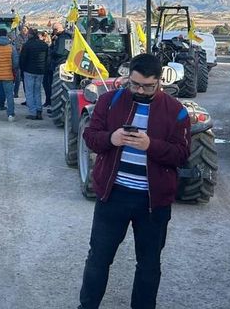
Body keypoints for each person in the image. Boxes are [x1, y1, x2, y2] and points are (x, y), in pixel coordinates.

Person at [77, 54, 191, 309]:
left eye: (148, 86)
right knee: (98, 259)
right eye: (135, 84)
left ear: (159, 81)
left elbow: (182, 155)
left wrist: (152, 145)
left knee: (149, 265)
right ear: (129, 78)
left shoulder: (176, 111)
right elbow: (90, 136)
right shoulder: (110, 101)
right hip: (113, 196)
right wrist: (111, 138)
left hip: (153, 203)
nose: (140, 91)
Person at [19, 29, 49, 120]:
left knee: (29, 92)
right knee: (37, 91)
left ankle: (33, 112)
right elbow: (47, 58)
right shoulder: (44, 45)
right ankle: (39, 110)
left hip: (29, 71)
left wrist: (22, 70)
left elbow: (22, 59)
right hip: (40, 71)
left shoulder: (27, 45)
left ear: (30, 35)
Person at [46, 22, 72, 112]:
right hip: (62, 62)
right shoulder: (65, 37)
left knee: (59, 87)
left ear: (56, 30)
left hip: (60, 63)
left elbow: (60, 52)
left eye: (54, 30)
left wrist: (51, 50)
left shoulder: (63, 38)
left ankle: (58, 109)